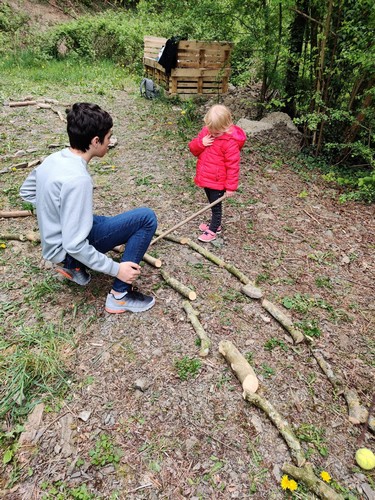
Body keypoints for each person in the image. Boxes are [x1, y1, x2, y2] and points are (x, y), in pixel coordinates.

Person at [20, 102, 157, 314]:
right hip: (66, 250)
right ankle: (120, 295)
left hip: (54, 245)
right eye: (108, 137)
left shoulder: (55, 158)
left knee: (98, 221)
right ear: (95, 141)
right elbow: (75, 244)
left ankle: (74, 268)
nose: (109, 142)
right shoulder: (78, 179)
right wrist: (117, 269)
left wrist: (54, 217)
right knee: (146, 218)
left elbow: (27, 191)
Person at [188, 104, 246, 242]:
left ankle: (213, 230)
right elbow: (193, 150)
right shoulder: (206, 133)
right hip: (206, 177)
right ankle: (216, 225)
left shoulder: (230, 143)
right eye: (211, 130)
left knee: (215, 205)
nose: (213, 134)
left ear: (226, 127)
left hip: (218, 181)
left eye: (217, 133)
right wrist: (201, 142)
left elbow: (233, 166)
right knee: (211, 202)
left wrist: (231, 187)